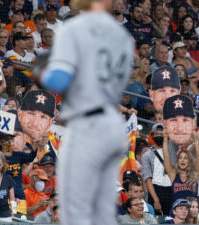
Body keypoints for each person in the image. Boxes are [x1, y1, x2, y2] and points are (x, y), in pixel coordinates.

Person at [40, 1, 133, 225]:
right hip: (112, 124)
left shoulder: (73, 29)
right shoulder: (122, 36)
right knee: (103, 206)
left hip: (86, 124)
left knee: (76, 206)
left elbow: (59, 79)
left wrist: (43, 70)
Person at [142, 123, 172, 215]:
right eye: (157, 134)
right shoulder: (147, 155)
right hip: (156, 189)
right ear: (152, 135)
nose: (159, 136)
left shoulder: (173, 152)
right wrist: (155, 199)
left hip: (171, 189)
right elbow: (147, 179)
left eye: (161, 134)